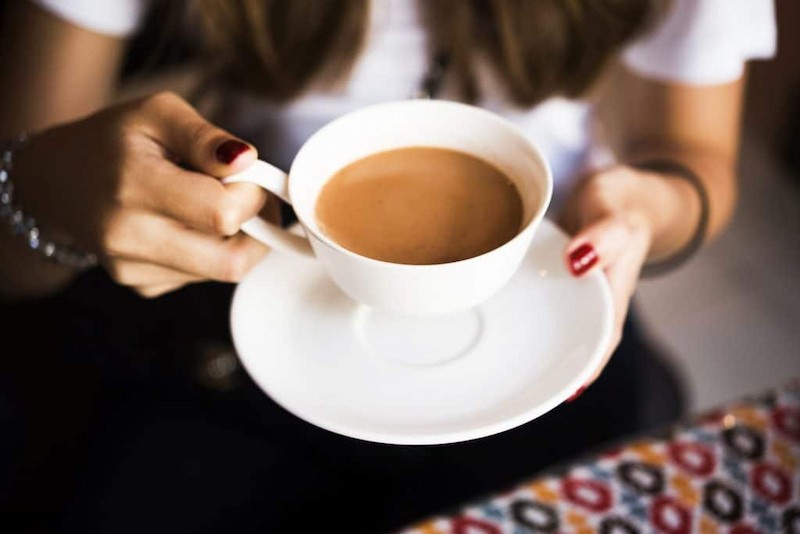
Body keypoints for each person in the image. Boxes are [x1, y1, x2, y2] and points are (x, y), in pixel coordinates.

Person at [0, 0, 775, 531]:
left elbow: (694, 156)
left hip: (548, 307)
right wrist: (49, 197)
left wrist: (647, 206)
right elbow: (13, 266)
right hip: (230, 316)